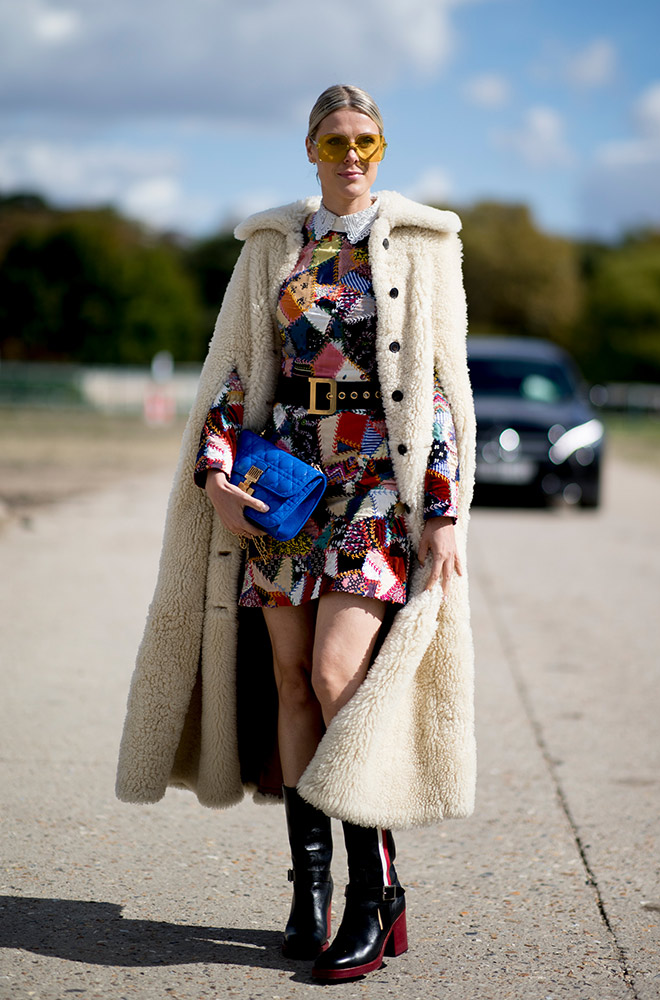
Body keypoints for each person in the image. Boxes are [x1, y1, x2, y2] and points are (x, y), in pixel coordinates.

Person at [116, 84, 476, 982]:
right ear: (308, 149)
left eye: (366, 139)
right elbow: (235, 370)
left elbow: (436, 387)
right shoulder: (275, 247)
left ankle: (374, 891)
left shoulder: (424, 245)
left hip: (369, 487)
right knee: (289, 682)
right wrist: (216, 472)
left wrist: (439, 509)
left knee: (335, 673)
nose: (351, 154)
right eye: (334, 140)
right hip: (289, 483)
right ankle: (308, 892)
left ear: (381, 149)